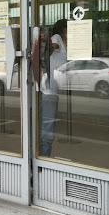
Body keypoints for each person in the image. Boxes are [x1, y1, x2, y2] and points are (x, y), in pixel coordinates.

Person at [39, 19, 67, 156]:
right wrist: (49, 47)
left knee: (47, 126)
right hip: (49, 90)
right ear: (64, 30)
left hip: (53, 90)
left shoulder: (64, 43)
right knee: (47, 130)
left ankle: (42, 156)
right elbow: (51, 47)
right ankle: (43, 158)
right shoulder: (57, 38)